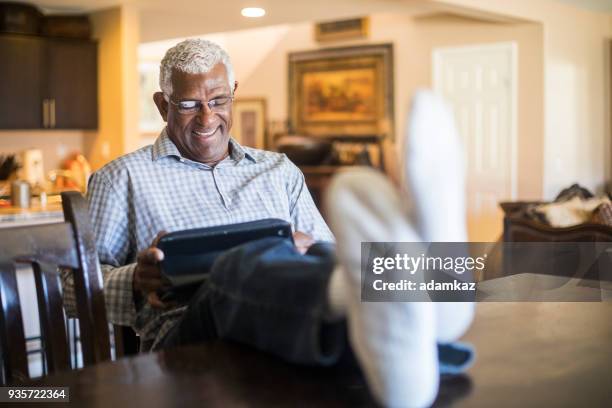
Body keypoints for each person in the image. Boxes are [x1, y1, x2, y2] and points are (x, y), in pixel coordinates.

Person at [63, 38, 475, 408]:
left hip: (287, 324)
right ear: (161, 104)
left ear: (234, 94)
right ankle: (428, 294)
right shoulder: (122, 178)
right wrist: (138, 279)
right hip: (188, 338)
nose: (207, 119)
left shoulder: (278, 170)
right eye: (189, 104)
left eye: (218, 100)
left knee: (320, 267)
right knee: (236, 264)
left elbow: (329, 253)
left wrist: (306, 247)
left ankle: (420, 341)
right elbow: (71, 291)